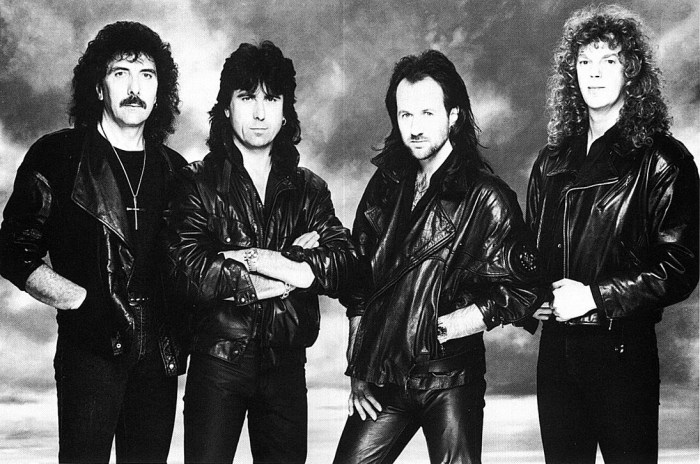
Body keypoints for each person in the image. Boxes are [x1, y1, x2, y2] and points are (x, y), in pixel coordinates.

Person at [333, 49, 543, 464]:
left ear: (454, 116)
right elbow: (359, 281)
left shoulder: (487, 197)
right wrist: (360, 365)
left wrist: (442, 327)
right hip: (385, 374)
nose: (414, 128)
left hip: (450, 378)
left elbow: (523, 290)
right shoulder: (387, 182)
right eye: (405, 115)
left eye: (427, 113)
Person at [0, 21, 186, 463]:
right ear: (99, 87)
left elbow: (197, 257)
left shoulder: (176, 170)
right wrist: (81, 301)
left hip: (159, 354)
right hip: (90, 347)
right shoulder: (58, 155)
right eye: (120, 73)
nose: (134, 88)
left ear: (160, 91)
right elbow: (12, 251)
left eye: (147, 75)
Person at [163, 40, 354, 464]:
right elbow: (189, 273)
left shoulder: (309, 189)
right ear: (226, 107)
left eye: (272, 99)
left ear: (286, 112)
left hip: (287, 364)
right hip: (218, 360)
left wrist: (252, 259)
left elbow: (345, 263)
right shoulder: (196, 182)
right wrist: (294, 270)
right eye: (248, 97)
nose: (260, 113)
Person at [527, 5, 699, 463]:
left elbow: (679, 268)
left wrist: (594, 297)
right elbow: (532, 251)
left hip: (622, 353)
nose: (595, 73)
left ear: (632, 71)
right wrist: (531, 296)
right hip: (556, 354)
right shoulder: (551, 161)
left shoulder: (663, 159)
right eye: (584, 61)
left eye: (609, 60)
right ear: (572, 72)